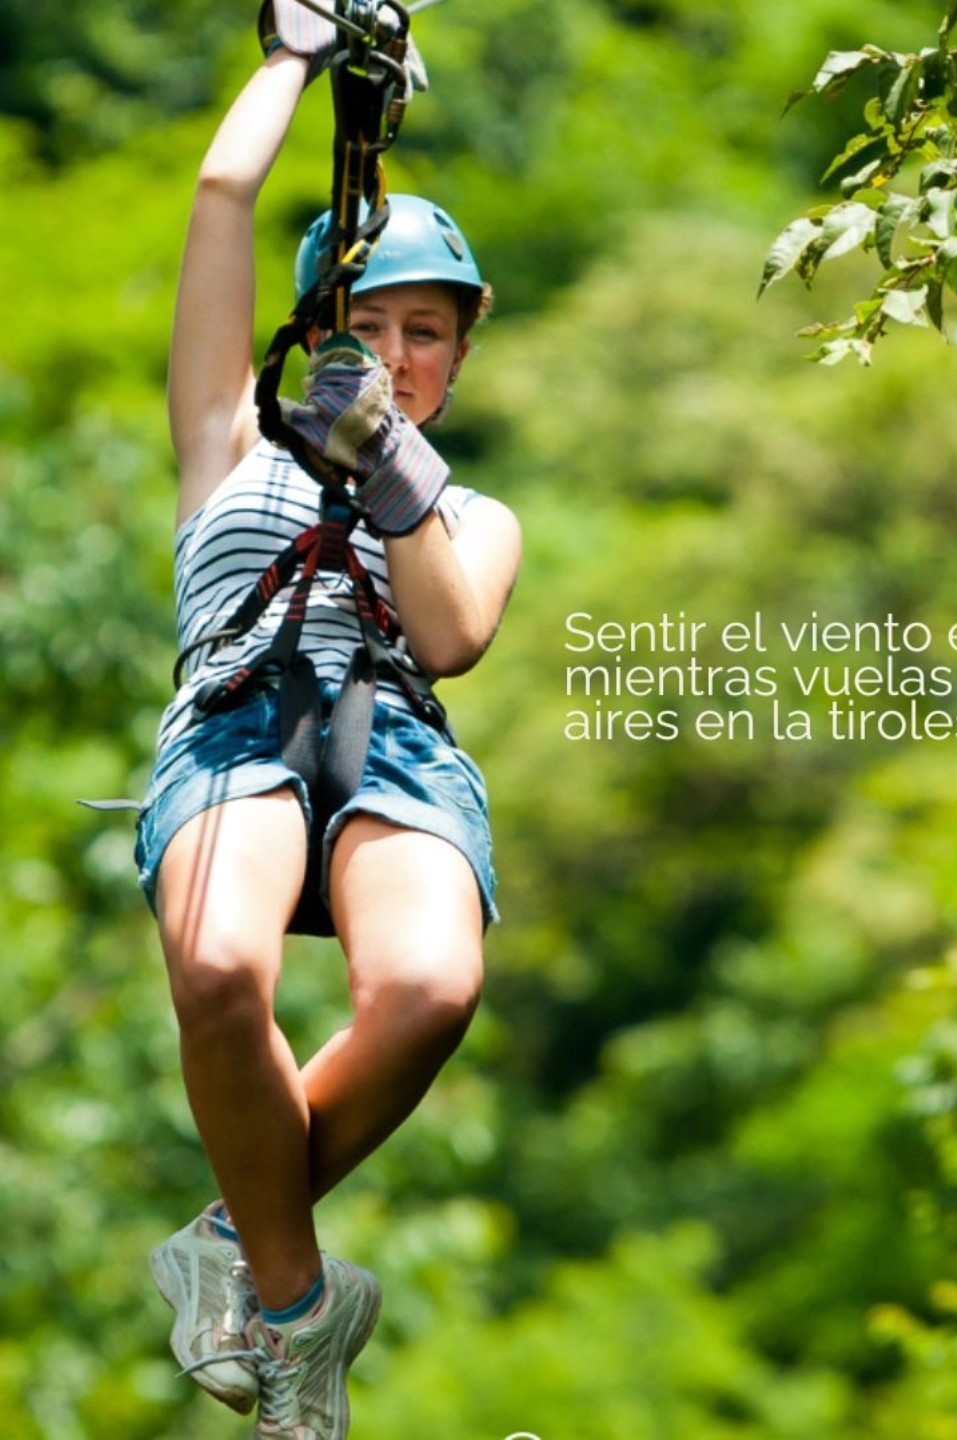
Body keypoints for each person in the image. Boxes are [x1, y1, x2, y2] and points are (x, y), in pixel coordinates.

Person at [134, 6, 522, 1436]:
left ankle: (231, 1242)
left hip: (396, 739)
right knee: (220, 967)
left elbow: (454, 634)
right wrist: (294, 59)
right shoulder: (225, 439)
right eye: (366, 327)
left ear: (459, 360)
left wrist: (392, 473)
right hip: (240, 718)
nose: (397, 353)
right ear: (313, 335)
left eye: (426, 334)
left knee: (429, 991)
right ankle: (299, 1320)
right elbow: (220, 195)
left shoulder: (476, 512)